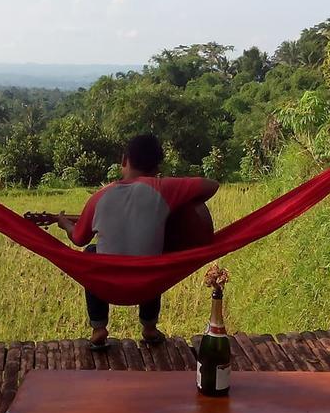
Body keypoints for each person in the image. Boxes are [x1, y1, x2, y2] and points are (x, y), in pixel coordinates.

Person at [57, 134, 219, 350]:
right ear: (157, 166)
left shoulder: (99, 197)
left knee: (90, 253)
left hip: (108, 283)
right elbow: (211, 185)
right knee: (154, 257)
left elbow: (78, 238)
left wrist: (65, 224)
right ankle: (149, 327)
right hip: (147, 283)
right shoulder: (164, 189)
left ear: (124, 160)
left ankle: (98, 328)